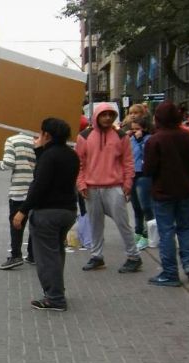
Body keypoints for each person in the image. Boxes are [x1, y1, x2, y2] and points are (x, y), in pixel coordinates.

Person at [12, 118, 80, 311]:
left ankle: (55, 298)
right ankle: (57, 290)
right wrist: (40, 151)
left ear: (47, 135)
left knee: (46, 257)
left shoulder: (49, 157)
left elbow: (39, 185)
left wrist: (22, 211)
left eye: (40, 133)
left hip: (47, 212)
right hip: (68, 211)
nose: (37, 137)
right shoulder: (71, 155)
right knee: (56, 253)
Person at [76, 103, 143, 273]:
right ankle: (96, 256)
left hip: (114, 186)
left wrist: (127, 184)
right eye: (103, 114)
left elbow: (128, 162)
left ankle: (134, 256)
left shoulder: (121, 136)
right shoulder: (84, 136)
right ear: (97, 116)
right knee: (95, 225)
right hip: (91, 187)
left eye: (110, 114)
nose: (107, 118)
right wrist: (81, 183)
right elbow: (79, 163)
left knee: (123, 223)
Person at [144, 101, 189, 287]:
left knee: (166, 231)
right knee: (185, 228)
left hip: (163, 191)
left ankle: (170, 272)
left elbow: (148, 169)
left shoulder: (155, 140)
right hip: (185, 189)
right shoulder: (188, 136)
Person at [0, 133, 37, 269]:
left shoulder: (12, 140)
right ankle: (33, 255)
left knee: (16, 225)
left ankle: (16, 256)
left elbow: (8, 163)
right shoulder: (37, 140)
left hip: (19, 191)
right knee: (34, 224)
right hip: (35, 190)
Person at [129, 117, 154, 250]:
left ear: (144, 128)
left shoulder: (149, 139)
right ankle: (138, 231)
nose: (135, 132)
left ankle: (148, 234)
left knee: (146, 206)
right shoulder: (131, 139)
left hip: (144, 174)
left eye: (137, 129)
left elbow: (147, 155)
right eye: (133, 129)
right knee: (136, 207)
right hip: (133, 174)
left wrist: (140, 141)